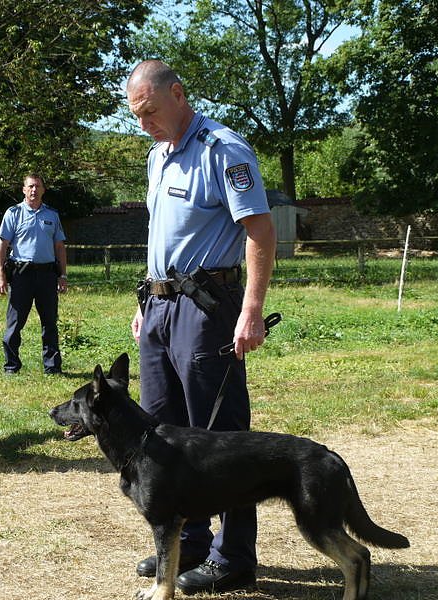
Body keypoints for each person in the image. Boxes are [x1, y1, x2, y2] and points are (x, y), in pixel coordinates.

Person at [126, 60, 276, 594]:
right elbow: (160, 236)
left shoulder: (222, 149)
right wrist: (148, 297)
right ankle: (181, 545)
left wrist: (251, 309)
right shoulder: (156, 156)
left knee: (220, 436)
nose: (144, 123)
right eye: (135, 116)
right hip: (160, 307)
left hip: (208, 307)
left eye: (149, 111)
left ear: (178, 93)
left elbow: (259, 229)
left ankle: (232, 557)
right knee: (161, 431)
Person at [0, 173, 68, 374]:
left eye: (37, 186)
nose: (34, 190)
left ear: (43, 189)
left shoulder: (52, 215)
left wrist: (62, 275)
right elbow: (2, 246)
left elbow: (59, 246)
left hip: (47, 276)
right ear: (24, 189)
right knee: (15, 323)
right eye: (30, 186)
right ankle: (11, 366)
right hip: (21, 275)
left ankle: (52, 367)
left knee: (50, 322)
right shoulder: (13, 213)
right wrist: (0, 275)